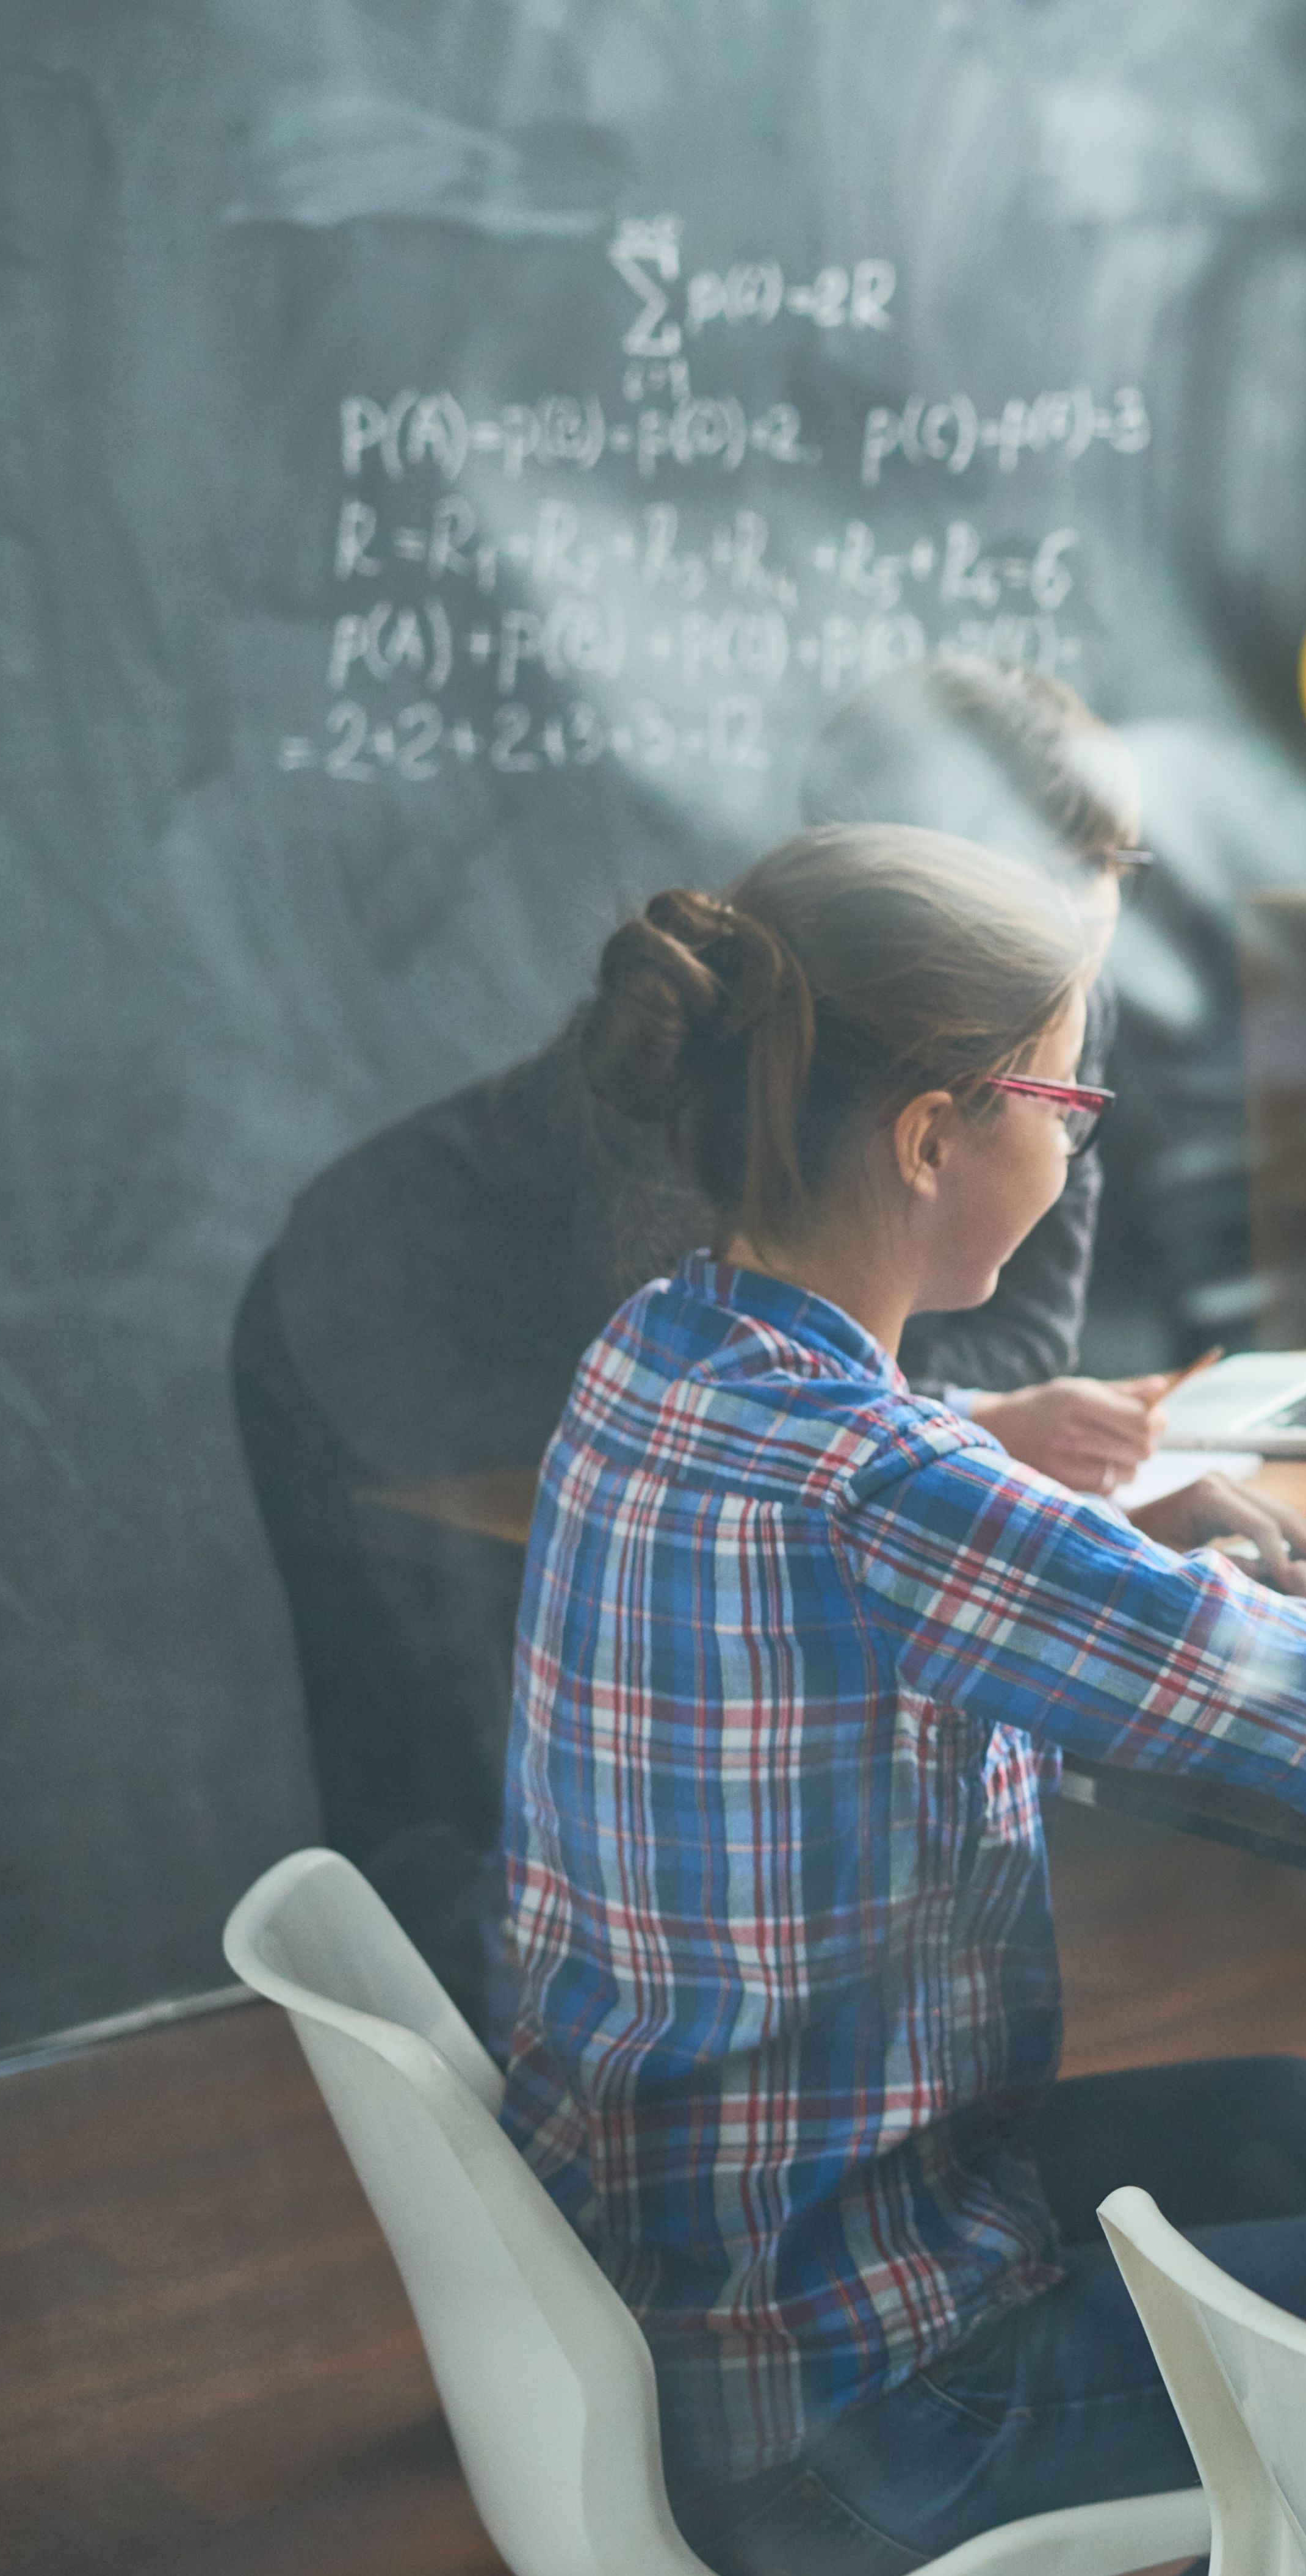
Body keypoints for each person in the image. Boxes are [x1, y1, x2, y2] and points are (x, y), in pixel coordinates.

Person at [491, 827, 1306, 2576]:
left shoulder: (664, 1346)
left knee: (1286, 2108)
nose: (1079, 1129)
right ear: (934, 1133)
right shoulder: (886, 1488)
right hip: (865, 2409)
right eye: (1064, 1096)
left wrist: (1054, 1500)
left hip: (701, 2305)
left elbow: (892, 1523)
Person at [233, 658, 1175, 2014]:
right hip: (374, 1328)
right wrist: (961, 1433)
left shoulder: (1018, 1022)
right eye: (1080, 856)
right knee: (444, 1782)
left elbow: (1007, 1328)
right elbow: (731, 1394)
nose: (1107, 897)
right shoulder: (767, 1038)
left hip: (587, 1359)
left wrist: (977, 1423)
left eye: (1119, 859)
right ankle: (485, 2133)